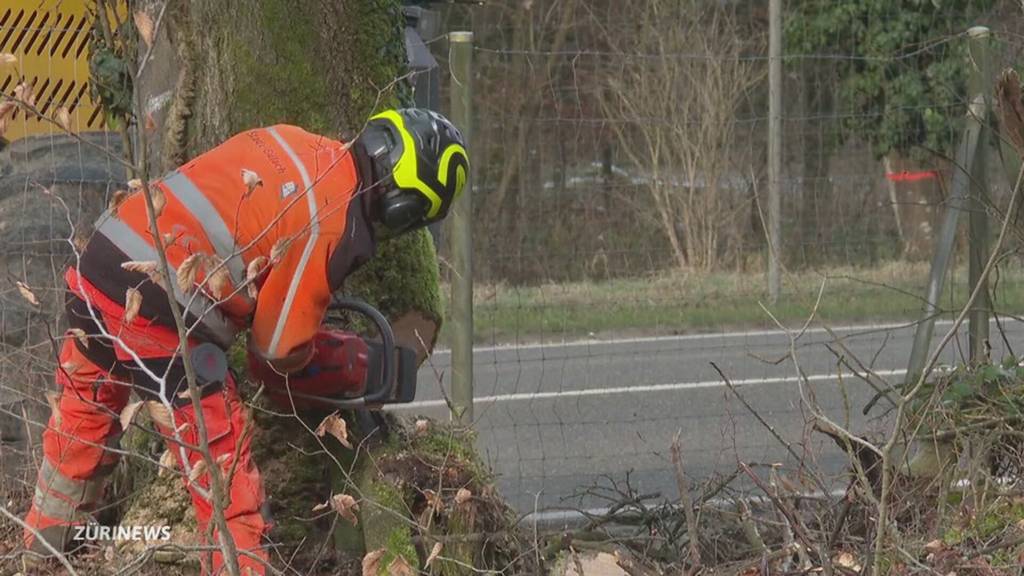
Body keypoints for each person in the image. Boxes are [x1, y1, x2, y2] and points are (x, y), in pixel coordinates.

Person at [22, 108, 468, 574]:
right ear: (405, 206)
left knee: (79, 425)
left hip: (97, 265)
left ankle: (37, 556)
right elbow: (275, 355)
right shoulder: (332, 220)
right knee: (223, 474)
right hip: (157, 306)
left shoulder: (299, 140)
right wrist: (351, 364)